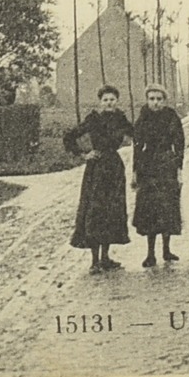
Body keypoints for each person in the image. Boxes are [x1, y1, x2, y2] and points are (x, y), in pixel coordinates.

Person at [65, 84, 132, 272]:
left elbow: (136, 133)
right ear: (100, 102)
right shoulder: (93, 119)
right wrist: (83, 154)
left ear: (117, 101)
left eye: (112, 100)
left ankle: (106, 258)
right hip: (97, 169)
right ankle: (94, 262)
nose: (109, 103)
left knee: (112, 211)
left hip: (115, 168)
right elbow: (70, 136)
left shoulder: (120, 118)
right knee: (96, 212)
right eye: (105, 100)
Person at [131, 84, 185, 265]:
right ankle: (150, 253)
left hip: (167, 165)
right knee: (150, 210)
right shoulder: (142, 118)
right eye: (152, 99)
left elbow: (179, 143)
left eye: (159, 99)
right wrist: (135, 172)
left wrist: (179, 169)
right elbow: (137, 147)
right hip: (148, 167)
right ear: (147, 100)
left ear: (164, 100)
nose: (155, 103)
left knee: (167, 207)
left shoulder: (171, 116)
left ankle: (167, 250)